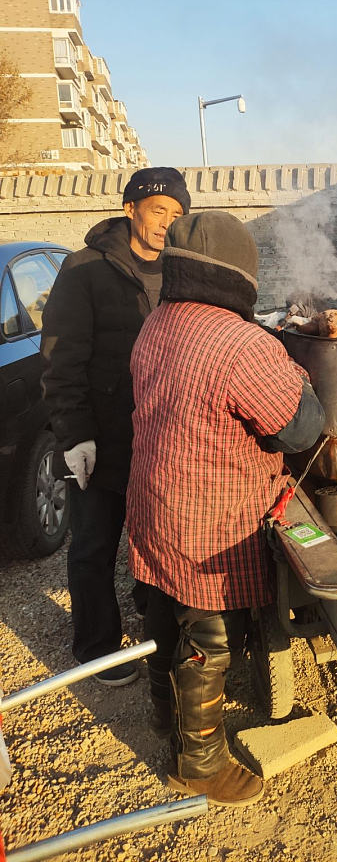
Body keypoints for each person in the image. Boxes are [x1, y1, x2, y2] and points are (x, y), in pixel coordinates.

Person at [126, 210, 325, 807]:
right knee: (206, 637)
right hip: (208, 517)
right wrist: (303, 380)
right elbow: (299, 427)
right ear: (242, 276)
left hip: (155, 501)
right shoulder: (242, 344)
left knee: (163, 611)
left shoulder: (157, 321)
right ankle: (200, 764)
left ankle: (168, 719)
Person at [40, 167, 191, 686]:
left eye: (175, 215)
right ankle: (97, 647)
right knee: (93, 545)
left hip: (160, 437)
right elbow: (62, 358)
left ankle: (155, 625)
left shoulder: (180, 270)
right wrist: (74, 435)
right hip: (100, 436)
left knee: (156, 539)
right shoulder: (85, 270)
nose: (164, 224)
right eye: (157, 211)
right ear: (130, 209)